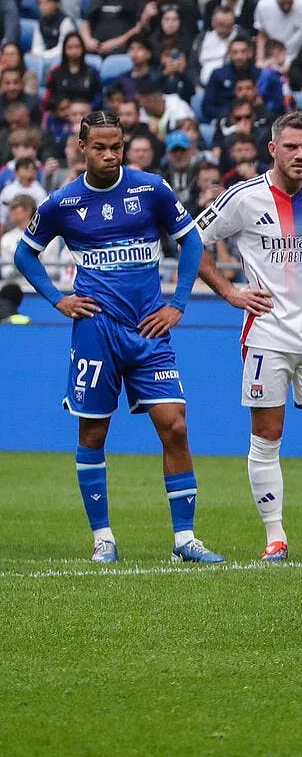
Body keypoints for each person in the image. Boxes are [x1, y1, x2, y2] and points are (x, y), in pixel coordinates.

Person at [12, 111, 222, 564]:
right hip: (96, 332)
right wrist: (57, 299)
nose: (110, 155)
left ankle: (185, 539)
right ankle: (103, 537)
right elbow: (24, 255)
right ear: (81, 148)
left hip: (149, 327)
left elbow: (192, 242)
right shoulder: (62, 203)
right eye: (100, 148)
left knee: (176, 425)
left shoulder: (151, 190)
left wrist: (178, 302)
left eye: (117, 147)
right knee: (93, 431)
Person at [194, 111, 302, 564]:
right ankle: (275, 537)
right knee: (267, 434)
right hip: (267, 333)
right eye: (290, 147)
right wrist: (230, 290)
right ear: (272, 149)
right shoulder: (243, 197)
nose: (299, 155)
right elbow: (190, 240)